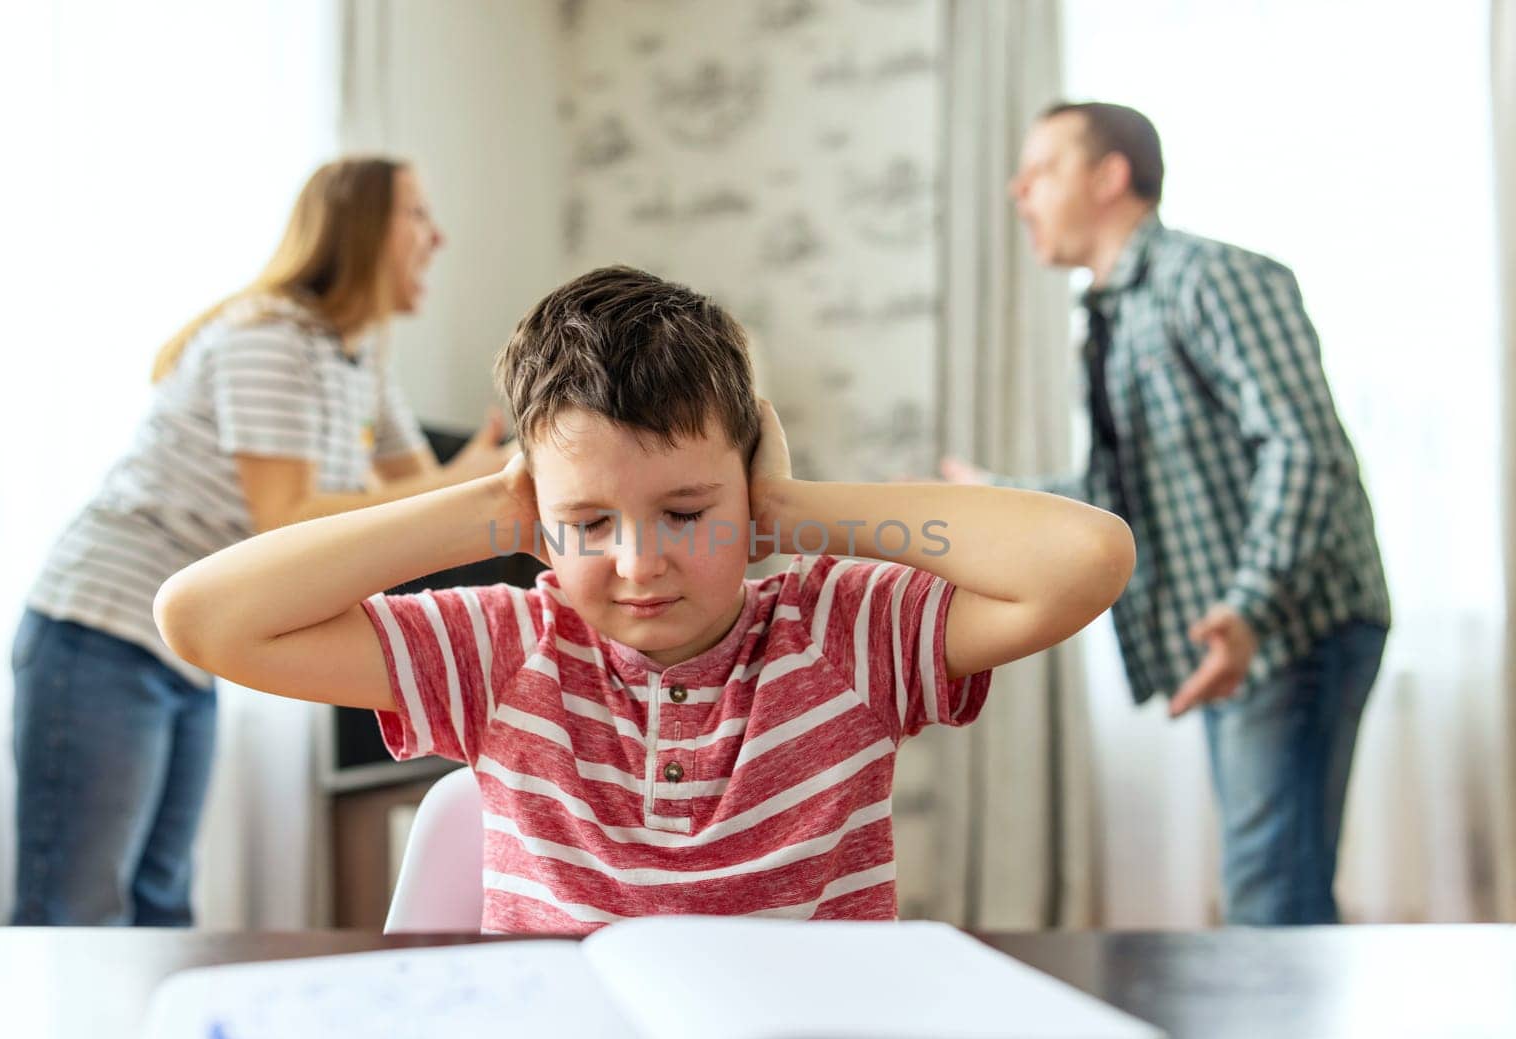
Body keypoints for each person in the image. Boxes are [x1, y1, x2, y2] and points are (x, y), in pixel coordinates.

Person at [154, 265, 1135, 934]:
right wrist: (486, 511)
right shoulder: (504, 650)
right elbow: (202, 617)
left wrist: (796, 510)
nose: (638, 563)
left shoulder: (842, 633)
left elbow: (1085, 556)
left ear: (746, 481)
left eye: (685, 509)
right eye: (587, 522)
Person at [12, 157, 513, 926]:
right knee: (76, 907)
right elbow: (287, 518)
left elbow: (422, 506)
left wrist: (482, 482)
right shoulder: (270, 339)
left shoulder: (361, 357)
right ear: (364, 227)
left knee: (162, 897)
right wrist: (477, 485)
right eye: (418, 213)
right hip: (101, 627)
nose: (438, 236)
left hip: (180, 642)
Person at [944, 101, 1391, 925]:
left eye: (1040, 169)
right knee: (1271, 882)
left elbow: (1303, 446)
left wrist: (1252, 605)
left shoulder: (1210, 278)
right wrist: (999, 499)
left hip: (1295, 621)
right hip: (1238, 630)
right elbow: (1126, 491)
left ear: (1111, 176)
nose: (1017, 191)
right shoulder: (1115, 317)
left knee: (1269, 893)